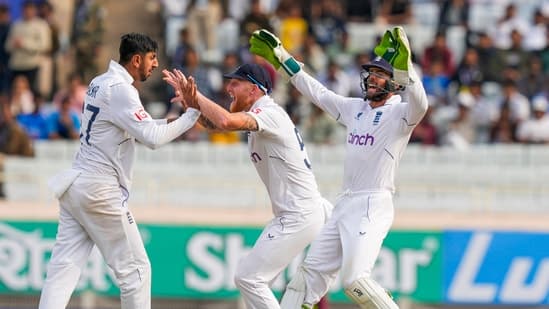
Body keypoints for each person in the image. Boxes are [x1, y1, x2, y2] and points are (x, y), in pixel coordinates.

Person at [250, 26, 428, 308]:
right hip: (344, 203)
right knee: (305, 280)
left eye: (380, 74)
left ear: (396, 82)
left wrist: (407, 69)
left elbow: (421, 104)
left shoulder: (400, 115)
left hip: (373, 203)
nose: (371, 78)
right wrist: (282, 58)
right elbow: (318, 92)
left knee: (355, 281)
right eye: (371, 73)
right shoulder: (356, 108)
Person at [38, 33, 201, 309]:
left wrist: (174, 120)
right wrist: (192, 115)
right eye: (152, 58)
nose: (155, 64)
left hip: (77, 184)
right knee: (137, 272)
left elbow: (137, 124)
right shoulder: (122, 90)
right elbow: (151, 138)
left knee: (62, 269)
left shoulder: (100, 82)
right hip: (100, 190)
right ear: (136, 59)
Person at [164, 63, 332, 309]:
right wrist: (191, 103)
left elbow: (225, 121)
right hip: (298, 212)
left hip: (300, 214)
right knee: (257, 281)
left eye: (235, 83)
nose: (228, 88)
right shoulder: (259, 115)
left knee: (248, 278)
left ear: (254, 89)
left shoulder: (270, 114)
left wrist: (196, 95)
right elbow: (214, 124)